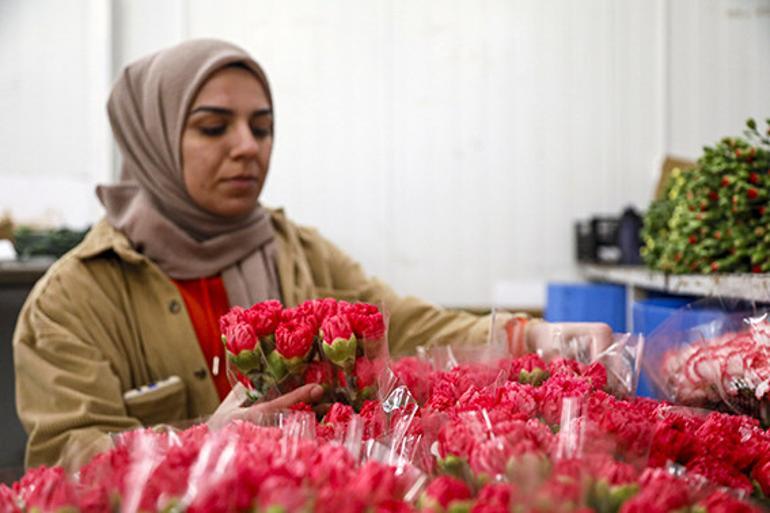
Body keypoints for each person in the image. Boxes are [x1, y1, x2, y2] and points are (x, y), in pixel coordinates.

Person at [13, 39, 611, 469]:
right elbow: (68, 454)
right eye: (214, 127)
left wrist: (529, 336)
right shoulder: (75, 299)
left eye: (262, 127)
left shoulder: (295, 252)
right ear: (152, 142)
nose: (248, 147)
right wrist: (202, 441)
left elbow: (405, 325)